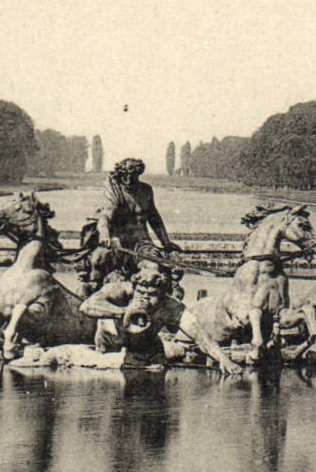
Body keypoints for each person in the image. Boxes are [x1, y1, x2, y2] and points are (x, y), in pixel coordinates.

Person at [78, 260, 244, 376]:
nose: (145, 298)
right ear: (133, 288)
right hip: (113, 344)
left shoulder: (171, 306)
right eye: (141, 292)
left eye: (152, 295)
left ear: (163, 294)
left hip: (145, 347)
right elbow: (86, 306)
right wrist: (123, 312)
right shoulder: (119, 291)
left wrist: (224, 360)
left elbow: (201, 336)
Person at [81, 157, 182, 294]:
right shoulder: (114, 191)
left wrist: (166, 242)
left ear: (139, 174)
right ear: (121, 174)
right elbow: (105, 216)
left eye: (134, 176)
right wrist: (104, 235)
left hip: (142, 243)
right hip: (118, 244)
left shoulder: (146, 191)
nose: (129, 179)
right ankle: (91, 292)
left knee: (153, 266)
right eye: (127, 175)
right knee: (98, 259)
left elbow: (154, 218)